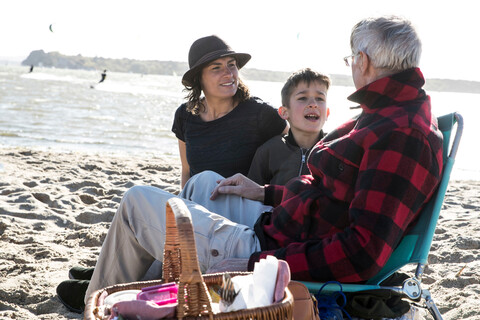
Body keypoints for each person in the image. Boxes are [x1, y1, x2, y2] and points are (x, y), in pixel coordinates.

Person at [57, 15, 443, 314]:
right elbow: (326, 193)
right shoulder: (388, 115)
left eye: (350, 59)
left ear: (363, 60)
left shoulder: (399, 134)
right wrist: (265, 191)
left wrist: (263, 261)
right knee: (202, 184)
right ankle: (141, 289)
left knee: (136, 202)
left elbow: (363, 252)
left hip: (269, 248)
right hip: (277, 225)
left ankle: (100, 303)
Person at [172, 35, 287, 187]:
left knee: (206, 177)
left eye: (231, 65)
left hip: (243, 205)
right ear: (198, 77)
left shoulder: (261, 114)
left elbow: (294, 159)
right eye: (216, 67)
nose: (228, 73)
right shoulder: (185, 115)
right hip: (199, 203)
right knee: (136, 193)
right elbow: (186, 171)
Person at [247, 68, 330, 185]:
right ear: (284, 112)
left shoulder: (335, 150)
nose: (313, 104)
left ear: (327, 113)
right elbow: (252, 195)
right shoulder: (268, 152)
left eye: (320, 98)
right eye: (302, 98)